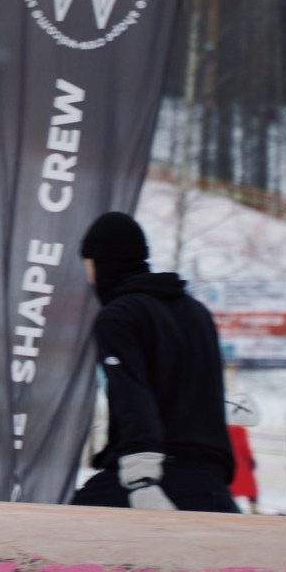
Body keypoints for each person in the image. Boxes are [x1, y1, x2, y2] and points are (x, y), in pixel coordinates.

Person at [68, 211, 238, 513]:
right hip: (211, 481)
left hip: (155, 475)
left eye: (89, 266)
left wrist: (141, 480)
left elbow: (131, 395)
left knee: (61, 539)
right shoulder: (198, 313)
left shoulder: (118, 317)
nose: (89, 277)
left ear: (103, 263)